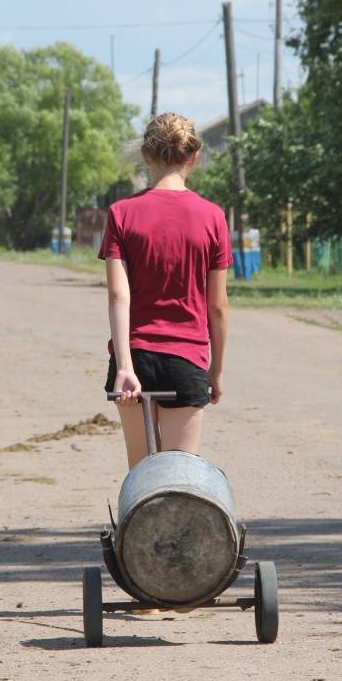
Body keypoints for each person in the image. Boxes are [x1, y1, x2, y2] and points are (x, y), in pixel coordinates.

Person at [99, 111, 231, 469]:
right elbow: (216, 307)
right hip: (186, 360)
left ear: (145, 155)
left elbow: (117, 296)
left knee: (140, 476)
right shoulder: (213, 217)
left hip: (135, 357)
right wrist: (216, 371)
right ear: (194, 157)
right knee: (180, 480)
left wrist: (125, 366)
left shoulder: (121, 213)